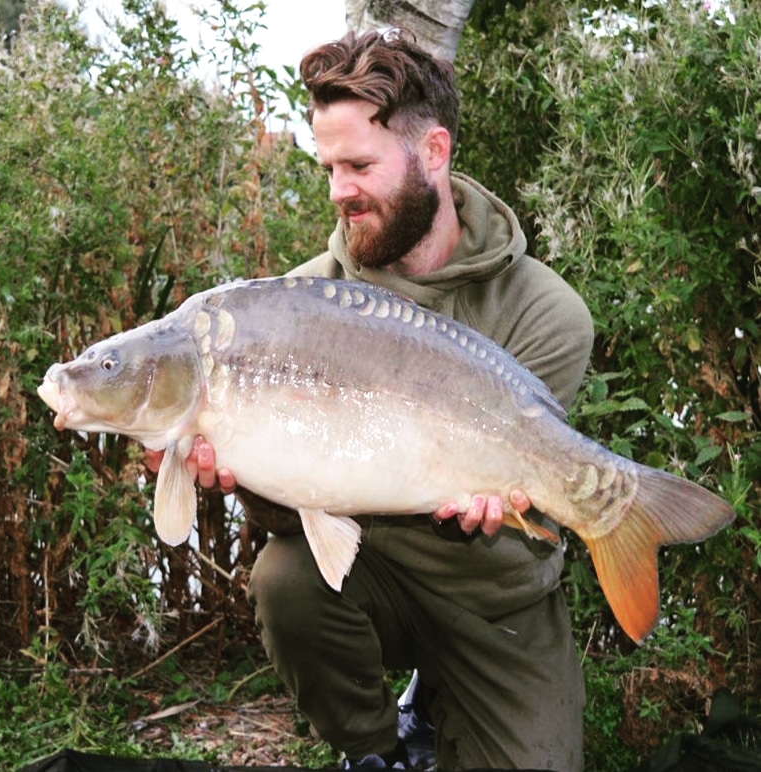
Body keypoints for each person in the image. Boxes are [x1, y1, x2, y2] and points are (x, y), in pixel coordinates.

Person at [150, 29, 593, 771]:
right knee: (284, 580)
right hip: (370, 577)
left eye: (358, 165)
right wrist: (240, 484)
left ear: (434, 154)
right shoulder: (295, 304)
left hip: (497, 602)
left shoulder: (545, 311)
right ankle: (377, 748)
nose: (337, 192)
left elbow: (538, 491)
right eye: (328, 167)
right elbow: (290, 506)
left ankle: (445, 692)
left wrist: (512, 501)